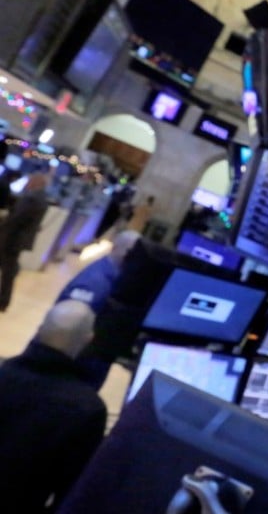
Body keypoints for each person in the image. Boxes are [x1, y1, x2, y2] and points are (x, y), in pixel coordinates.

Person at [0, 300, 107, 512]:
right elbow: (72, 491)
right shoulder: (88, 409)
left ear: (40, 330)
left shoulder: (3, 373)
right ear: (88, 341)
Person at [54, 229, 140, 388]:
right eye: (129, 252)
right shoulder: (94, 282)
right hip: (70, 367)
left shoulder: (118, 276)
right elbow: (65, 329)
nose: (133, 258)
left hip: (91, 362)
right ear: (115, 247)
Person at [0, 171, 51, 311]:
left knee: (8, 271)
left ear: (35, 182)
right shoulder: (42, 198)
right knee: (9, 269)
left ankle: (3, 301)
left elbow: (16, 219)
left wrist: (3, 223)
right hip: (18, 240)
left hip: (12, 239)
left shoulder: (31, 198)